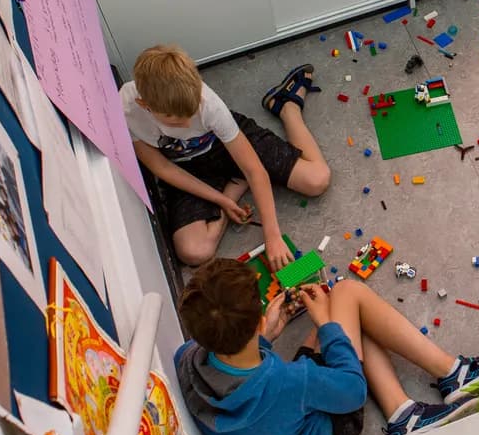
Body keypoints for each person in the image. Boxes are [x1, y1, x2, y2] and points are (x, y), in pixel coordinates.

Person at [174, 259, 479, 435]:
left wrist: (266, 340)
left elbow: (244, 371)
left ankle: (404, 415)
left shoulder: (186, 358)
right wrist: (327, 327)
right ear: (257, 322)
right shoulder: (293, 381)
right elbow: (351, 391)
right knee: (347, 295)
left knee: (344, 320)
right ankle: (453, 372)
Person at [122, 45, 331, 270]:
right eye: (173, 120)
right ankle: (235, 186)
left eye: (191, 114)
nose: (185, 125)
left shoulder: (209, 105)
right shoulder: (125, 109)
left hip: (224, 146)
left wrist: (272, 236)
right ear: (145, 105)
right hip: (185, 167)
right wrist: (222, 200)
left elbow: (255, 170)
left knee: (317, 179)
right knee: (193, 251)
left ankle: (287, 107)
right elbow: (163, 169)